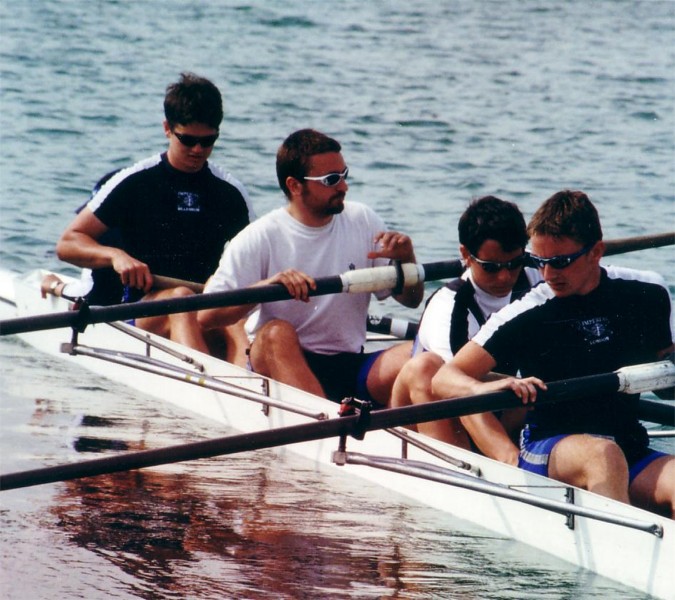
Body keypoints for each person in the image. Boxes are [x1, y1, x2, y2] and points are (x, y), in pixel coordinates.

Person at [431, 190, 674, 516]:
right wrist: (485, 387)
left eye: (559, 262)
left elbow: (666, 385)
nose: (548, 275)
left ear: (596, 252)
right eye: (540, 262)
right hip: (549, 447)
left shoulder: (648, 293)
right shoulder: (528, 311)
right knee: (603, 455)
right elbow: (444, 378)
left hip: (630, 447)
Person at [197, 128, 423, 404]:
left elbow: (412, 301)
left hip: (350, 363)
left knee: (421, 358)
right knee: (276, 333)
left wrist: (407, 260)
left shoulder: (363, 220)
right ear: (294, 186)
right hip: (281, 359)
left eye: (344, 175)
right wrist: (266, 287)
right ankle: (331, 421)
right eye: (331, 180)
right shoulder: (260, 237)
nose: (343, 187)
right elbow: (206, 317)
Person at [54, 72, 254, 363]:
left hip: (203, 304)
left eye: (208, 141)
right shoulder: (135, 181)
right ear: (167, 129)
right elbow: (68, 244)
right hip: (138, 310)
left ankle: (247, 380)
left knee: (235, 313)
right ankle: (204, 379)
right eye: (188, 140)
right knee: (181, 298)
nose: (198, 150)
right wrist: (115, 256)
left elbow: (255, 260)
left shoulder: (230, 192)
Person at [390, 196, 541, 448]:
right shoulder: (448, 307)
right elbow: (453, 384)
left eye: (514, 263)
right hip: (438, 407)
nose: (505, 277)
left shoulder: (537, 274)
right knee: (426, 368)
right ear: (466, 255)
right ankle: (491, 461)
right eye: (491, 267)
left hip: (498, 404)